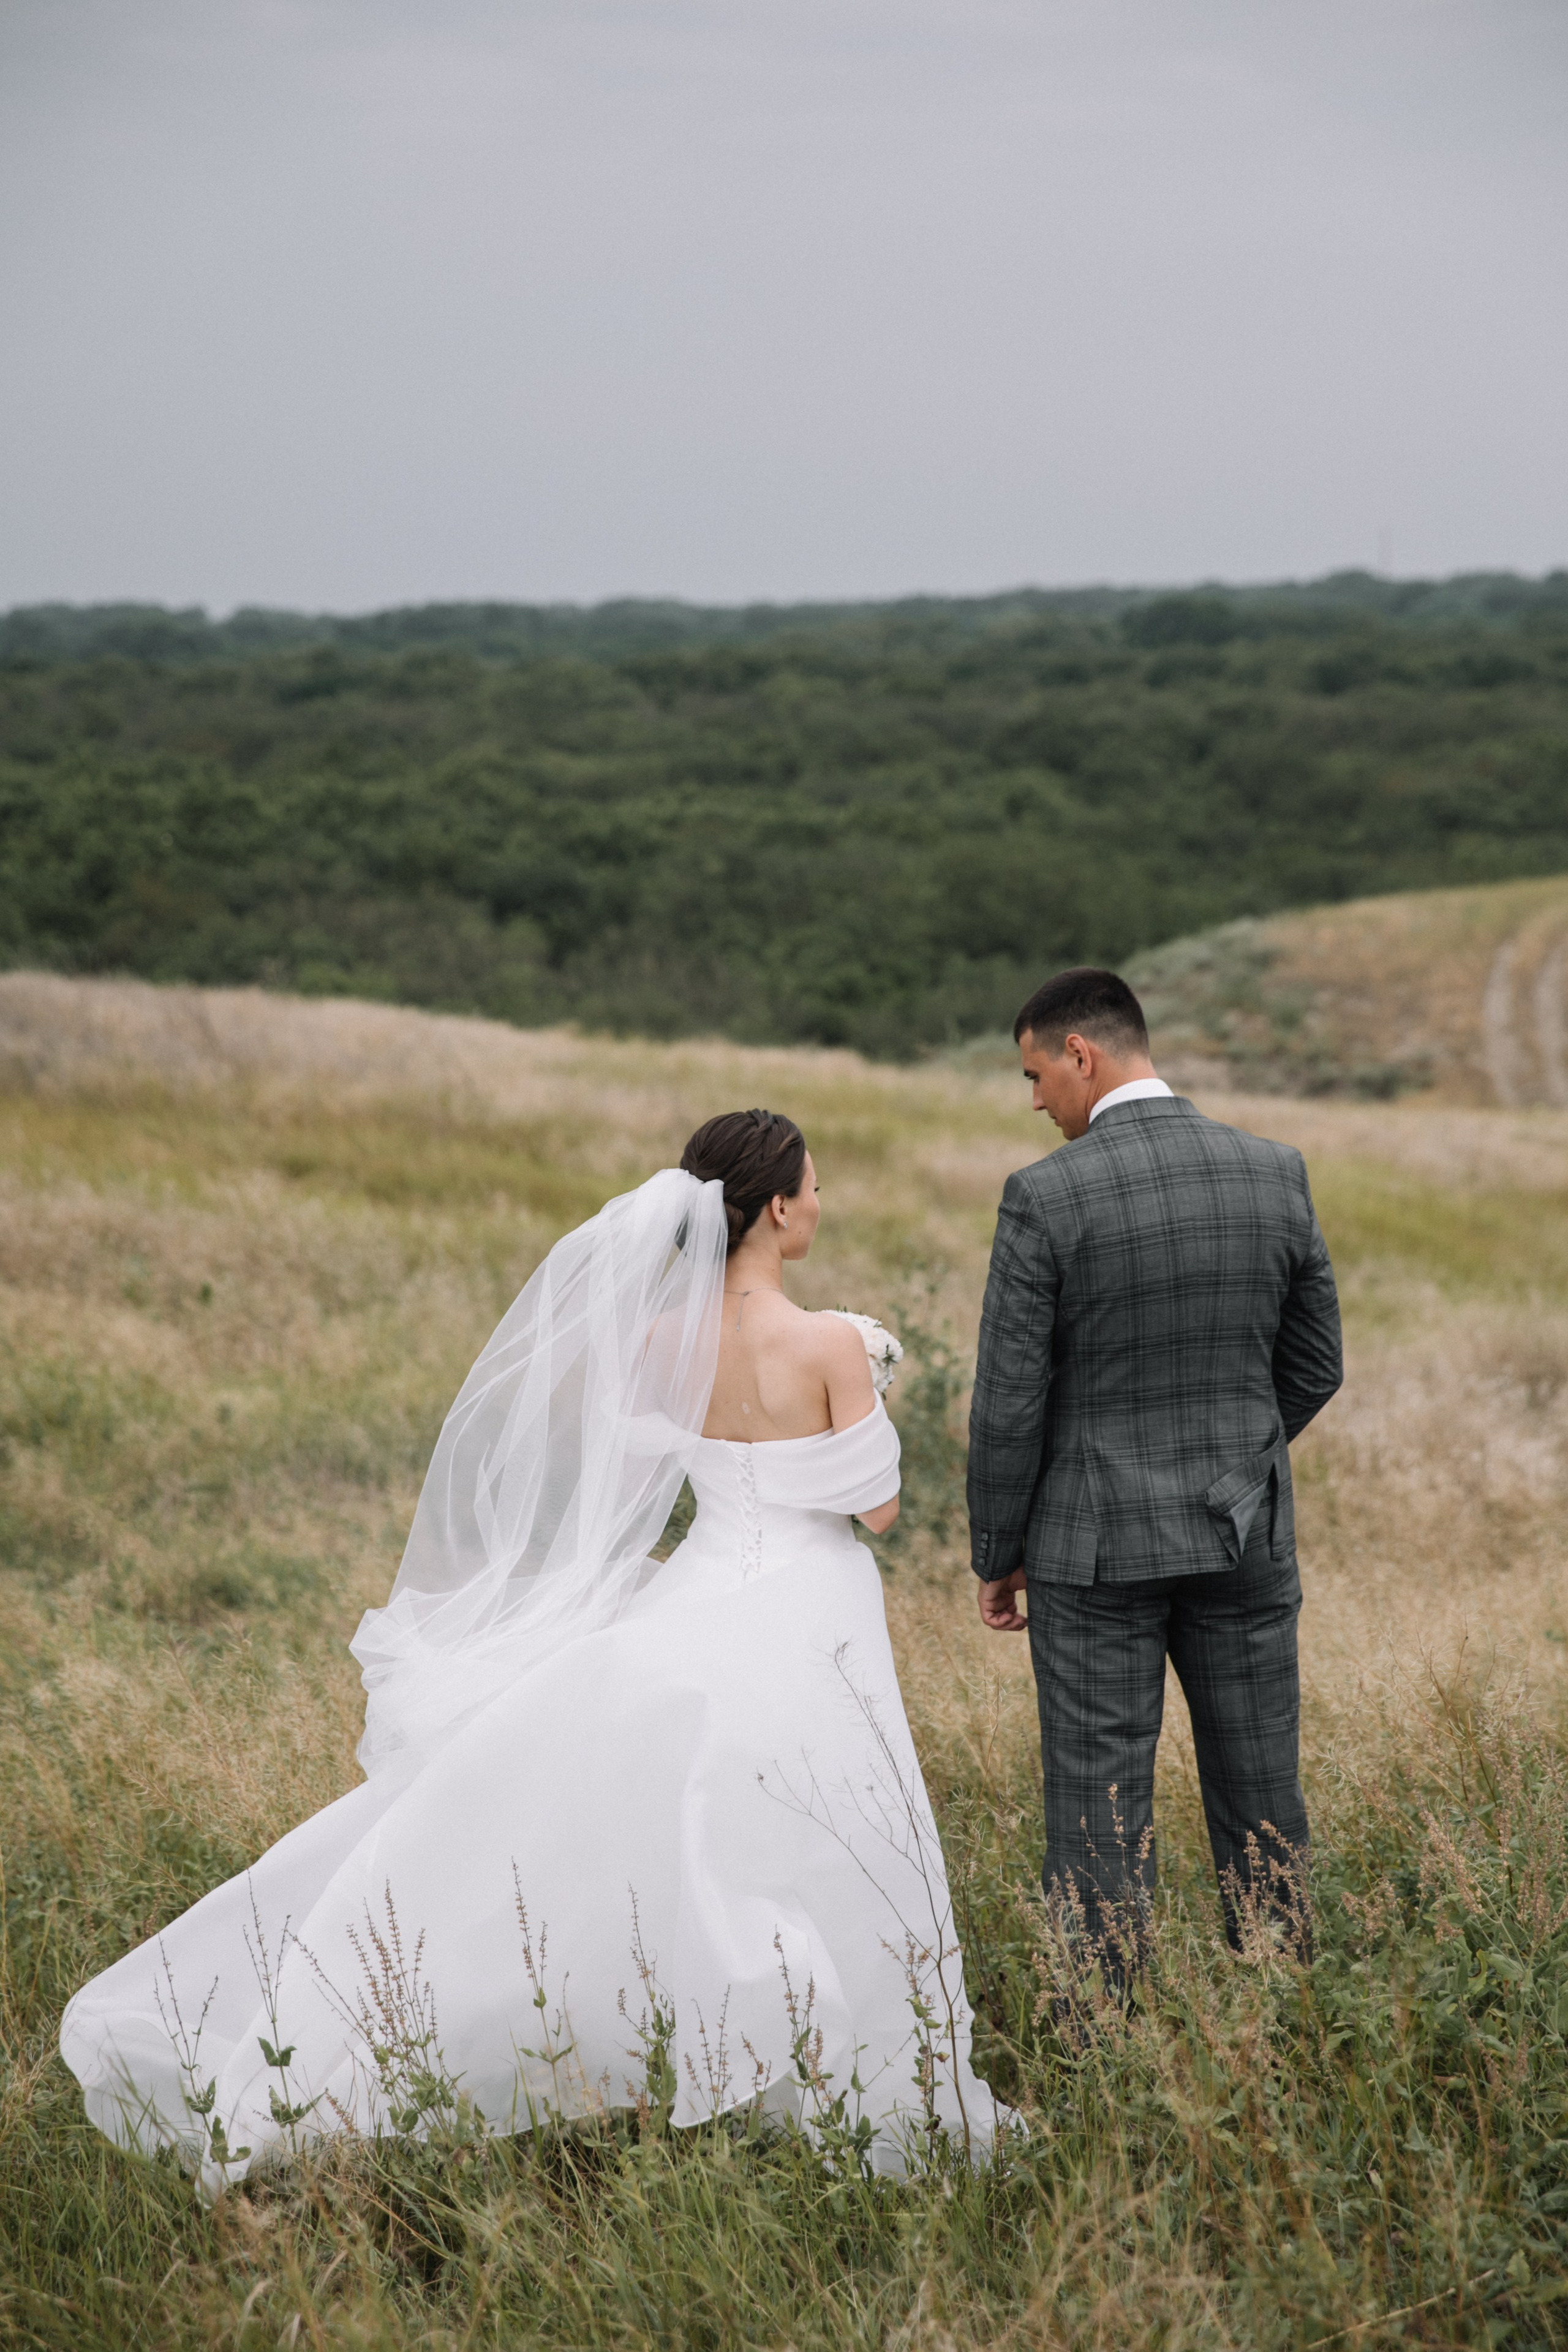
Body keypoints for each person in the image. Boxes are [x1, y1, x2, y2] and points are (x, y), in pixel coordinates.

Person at [62, 1109, 1003, 2188]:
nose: (822, 1203)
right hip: (810, 1605)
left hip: (698, 1593)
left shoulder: (657, 1340)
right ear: (781, 1206)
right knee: (827, 1824)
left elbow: (643, 1463)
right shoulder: (834, 1343)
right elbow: (877, 1510)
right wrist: (875, 1381)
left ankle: (664, 2048)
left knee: (671, 1823)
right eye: (818, 1186)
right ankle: (827, 2074)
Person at [968, 969, 1343, 1969]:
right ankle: (1287, 2007)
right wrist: (1243, 1462)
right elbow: (1317, 1364)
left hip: (1091, 1556)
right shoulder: (1274, 1170)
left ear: (1081, 1055)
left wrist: (998, 1552)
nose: (1036, 1099)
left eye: (1036, 1074)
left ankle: (1101, 2047)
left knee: (1097, 1806)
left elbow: (1009, 1401)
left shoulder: (1044, 1197)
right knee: (1263, 1791)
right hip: (1244, 1533)